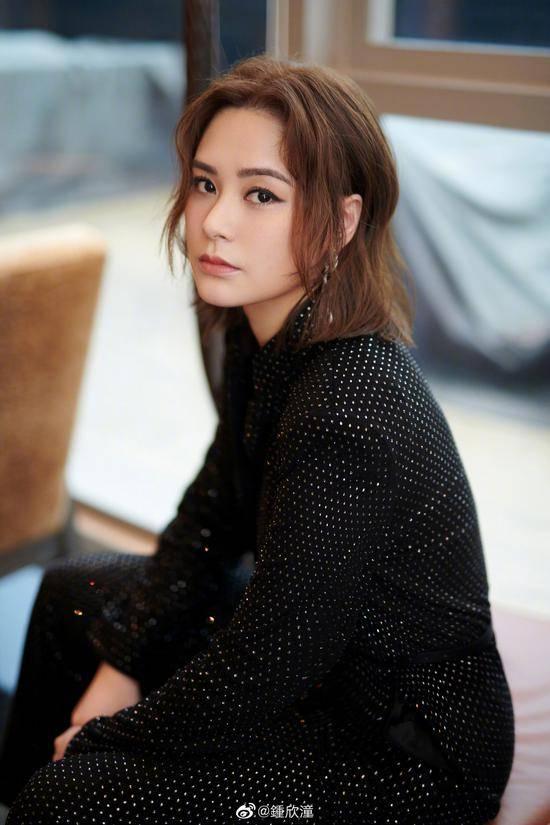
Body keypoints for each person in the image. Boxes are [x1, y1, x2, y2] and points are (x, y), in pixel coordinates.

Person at [1, 54, 514, 824]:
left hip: (401, 759)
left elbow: (263, 668)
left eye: (261, 195)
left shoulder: (349, 408)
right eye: (206, 183)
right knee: (74, 594)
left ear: (343, 221)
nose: (215, 221)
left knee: (75, 793)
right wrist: (122, 660)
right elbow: (210, 519)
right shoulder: (264, 334)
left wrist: (108, 738)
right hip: (320, 670)